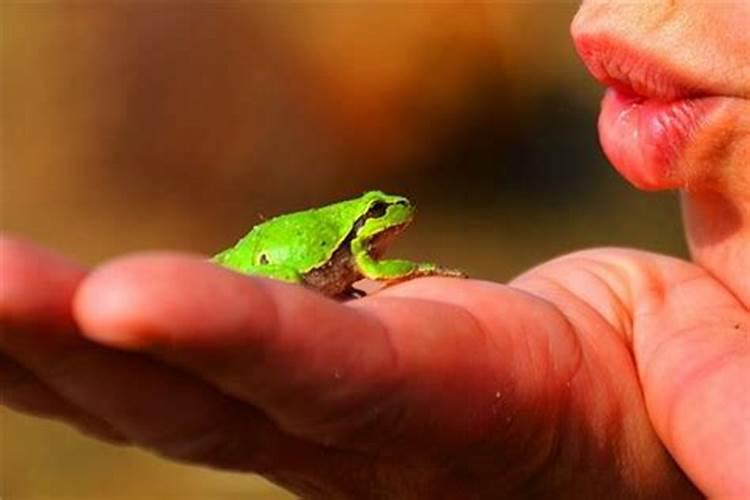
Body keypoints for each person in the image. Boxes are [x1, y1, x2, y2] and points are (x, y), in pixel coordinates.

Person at [1, 1, 748, 497]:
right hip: (279, 268)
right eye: (381, 212)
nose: (596, 8)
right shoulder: (360, 248)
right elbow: (364, 269)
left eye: (384, 212)